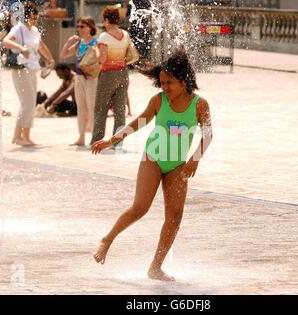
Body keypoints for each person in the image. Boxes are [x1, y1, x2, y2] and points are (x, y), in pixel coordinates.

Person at [91, 50, 213, 281]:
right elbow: (137, 123)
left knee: (175, 215)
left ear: (183, 81)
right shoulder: (158, 101)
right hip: (153, 159)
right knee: (140, 208)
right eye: (162, 82)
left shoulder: (200, 105)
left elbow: (208, 134)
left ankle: (155, 267)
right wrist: (111, 140)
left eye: (169, 83)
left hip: (178, 165)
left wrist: (195, 158)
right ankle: (107, 240)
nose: (164, 87)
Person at [2, 1, 55, 146]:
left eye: (36, 17)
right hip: (20, 69)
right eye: (33, 17)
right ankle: (16, 137)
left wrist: (50, 59)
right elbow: (5, 41)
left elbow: (41, 46)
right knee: (28, 102)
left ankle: (26, 136)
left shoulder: (35, 31)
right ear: (26, 16)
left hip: (32, 69)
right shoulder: (18, 29)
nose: (35, 20)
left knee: (31, 103)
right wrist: (20, 47)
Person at [89, 6, 132, 150]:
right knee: (120, 110)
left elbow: (102, 58)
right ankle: (118, 143)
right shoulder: (125, 34)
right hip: (123, 73)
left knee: (101, 108)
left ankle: (96, 141)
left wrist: (95, 50)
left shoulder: (104, 37)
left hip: (108, 74)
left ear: (107, 20)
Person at [61, 16, 100, 146]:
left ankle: (94, 137)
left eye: (82, 26)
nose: (79, 29)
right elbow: (64, 54)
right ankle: (81, 137)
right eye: (78, 26)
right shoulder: (79, 43)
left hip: (91, 78)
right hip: (79, 78)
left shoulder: (96, 42)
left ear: (90, 27)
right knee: (81, 108)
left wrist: (90, 68)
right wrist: (68, 41)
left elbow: (101, 61)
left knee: (92, 107)